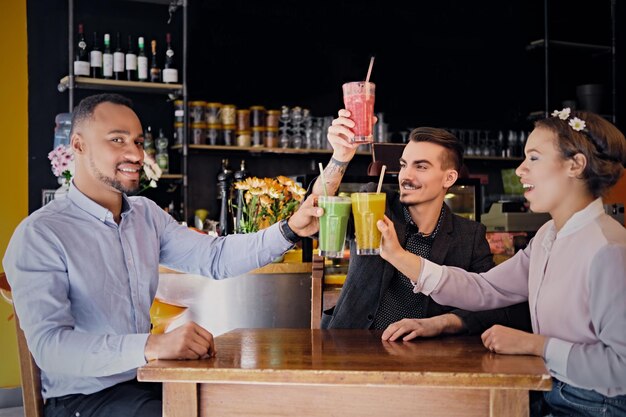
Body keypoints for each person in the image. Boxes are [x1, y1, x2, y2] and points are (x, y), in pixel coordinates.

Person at [2, 93, 322, 417]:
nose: (135, 154)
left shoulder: (145, 215)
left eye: (139, 142)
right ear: (79, 145)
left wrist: (290, 229)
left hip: (148, 378)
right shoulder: (42, 234)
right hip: (83, 400)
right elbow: (51, 348)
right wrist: (152, 346)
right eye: (118, 140)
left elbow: (213, 257)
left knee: (254, 404)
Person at [376, 109, 626, 416]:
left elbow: (621, 368)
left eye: (533, 158)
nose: (520, 170)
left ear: (575, 165)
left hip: (596, 405)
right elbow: (486, 288)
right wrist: (405, 263)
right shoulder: (548, 236)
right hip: (551, 392)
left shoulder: (608, 250)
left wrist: (535, 345)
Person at [313, 109, 531, 337]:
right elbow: (316, 215)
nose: (406, 176)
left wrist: (442, 322)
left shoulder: (470, 235)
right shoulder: (375, 205)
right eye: (404, 164)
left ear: (449, 178)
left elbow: (493, 305)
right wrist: (340, 157)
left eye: (421, 166)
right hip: (352, 343)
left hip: (425, 354)